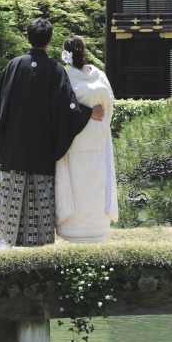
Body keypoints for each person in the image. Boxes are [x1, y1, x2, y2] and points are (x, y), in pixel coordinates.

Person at [0, 17, 104, 248]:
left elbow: (0, 104)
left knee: (11, 188)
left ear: (27, 38)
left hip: (14, 143)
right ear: (49, 41)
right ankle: (37, 240)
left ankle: (3, 239)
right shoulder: (55, 69)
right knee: (38, 192)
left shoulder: (14, 65)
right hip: (41, 145)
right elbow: (67, 107)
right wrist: (88, 112)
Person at [55, 35, 118, 243]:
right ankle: (97, 227)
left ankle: (75, 229)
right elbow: (109, 106)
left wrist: (85, 114)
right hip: (98, 137)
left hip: (75, 139)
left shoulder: (66, 78)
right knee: (96, 182)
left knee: (76, 185)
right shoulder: (100, 76)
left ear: (66, 54)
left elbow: (62, 110)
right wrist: (94, 116)